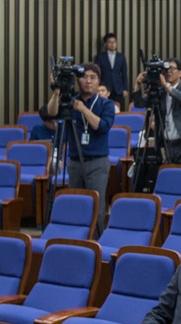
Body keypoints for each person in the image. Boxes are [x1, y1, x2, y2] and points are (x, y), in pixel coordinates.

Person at [46, 62, 114, 234]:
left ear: (99, 81)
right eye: (84, 77)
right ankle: (77, 240)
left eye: (93, 78)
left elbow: (102, 126)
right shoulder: (70, 101)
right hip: (75, 162)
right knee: (76, 203)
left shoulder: (106, 104)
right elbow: (51, 113)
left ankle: (96, 242)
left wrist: (83, 109)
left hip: (97, 162)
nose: (88, 81)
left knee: (96, 206)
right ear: (77, 80)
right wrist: (56, 92)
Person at [132, 58, 181, 166]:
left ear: (180, 73)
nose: (168, 72)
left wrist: (166, 86)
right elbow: (139, 104)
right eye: (166, 69)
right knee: (169, 174)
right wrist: (137, 84)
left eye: (172, 69)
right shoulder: (161, 90)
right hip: (168, 144)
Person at [94, 33, 128, 107]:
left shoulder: (121, 57)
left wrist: (125, 89)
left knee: (117, 108)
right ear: (105, 44)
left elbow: (124, 74)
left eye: (114, 42)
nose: (112, 44)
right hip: (104, 88)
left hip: (118, 88)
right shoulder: (100, 57)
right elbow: (97, 73)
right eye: (110, 42)